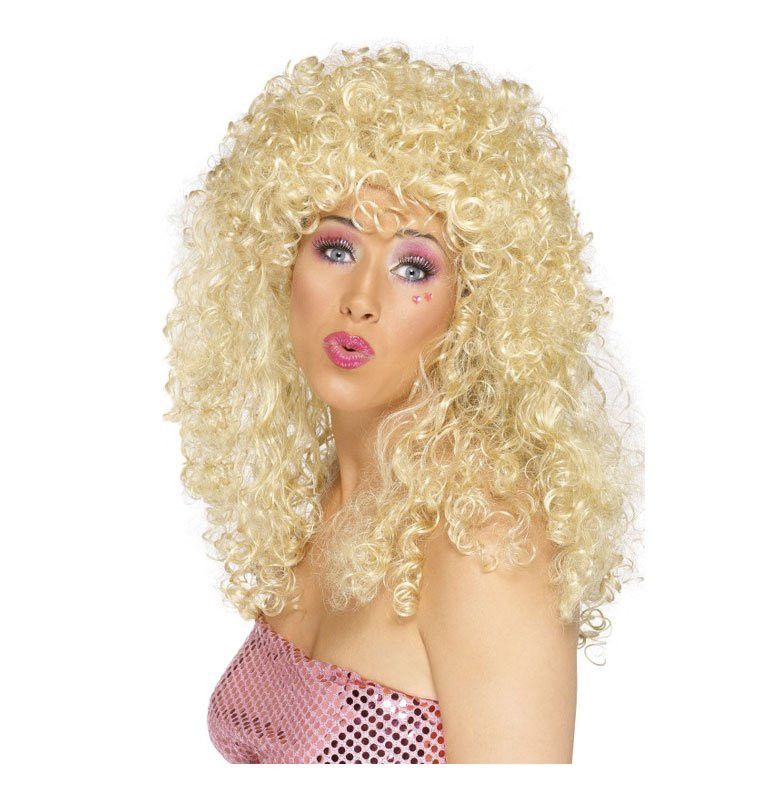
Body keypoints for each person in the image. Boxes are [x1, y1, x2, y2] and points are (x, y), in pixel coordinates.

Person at [163, 43, 643, 764]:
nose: (361, 300)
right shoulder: (328, 503)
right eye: (336, 249)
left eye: (413, 267)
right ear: (280, 262)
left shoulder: (482, 540)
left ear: (473, 309)